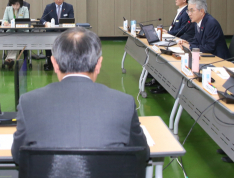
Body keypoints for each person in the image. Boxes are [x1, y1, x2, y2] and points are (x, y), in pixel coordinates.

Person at [11, 27, 148, 163]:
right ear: (99, 64)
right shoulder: (124, 104)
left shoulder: (28, 103)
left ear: (54, 64)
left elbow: (18, 155)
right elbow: (142, 153)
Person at [40, 0, 74, 71]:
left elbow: (71, 20)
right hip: (51, 32)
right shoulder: (49, 7)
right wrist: (46, 23)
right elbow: (42, 19)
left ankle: (65, 62)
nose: (58, 0)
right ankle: (49, 61)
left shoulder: (69, 7)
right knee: (48, 40)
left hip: (64, 32)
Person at [1, 0, 30, 68]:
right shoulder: (8, 9)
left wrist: (14, 24)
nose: (15, 6)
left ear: (20, 3)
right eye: (13, 4)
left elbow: (26, 22)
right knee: (12, 38)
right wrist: (5, 22)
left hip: (22, 32)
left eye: (17, 4)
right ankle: (11, 59)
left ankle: (10, 58)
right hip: (11, 32)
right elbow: (4, 20)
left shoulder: (25, 9)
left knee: (15, 38)